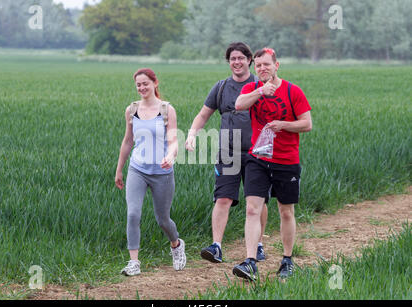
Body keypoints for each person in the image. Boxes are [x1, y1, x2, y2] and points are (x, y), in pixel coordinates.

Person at [233, 48, 312, 280]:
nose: (262, 69)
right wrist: (260, 91)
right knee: (251, 208)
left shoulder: (293, 91)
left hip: (286, 160)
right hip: (258, 159)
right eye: (258, 66)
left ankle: (287, 260)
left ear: (277, 66)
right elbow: (239, 104)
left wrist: (283, 124)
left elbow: (307, 124)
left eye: (266, 65)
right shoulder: (252, 88)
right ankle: (250, 262)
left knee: (285, 212)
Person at [185, 42, 268, 264]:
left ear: (249, 60)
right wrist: (192, 135)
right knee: (222, 198)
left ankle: (258, 245)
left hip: (256, 153)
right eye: (233, 59)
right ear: (228, 62)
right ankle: (216, 247)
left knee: (257, 202)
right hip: (228, 153)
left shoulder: (261, 85)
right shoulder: (221, 87)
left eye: (241, 58)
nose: (237, 62)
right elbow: (203, 115)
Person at [115, 68, 186, 276]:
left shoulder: (167, 110)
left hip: (162, 172)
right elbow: (128, 141)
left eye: (145, 83)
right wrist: (119, 169)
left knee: (163, 219)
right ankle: (134, 262)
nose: (142, 88)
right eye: (138, 85)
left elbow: (174, 141)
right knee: (133, 214)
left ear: (155, 83)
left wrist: (170, 156)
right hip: (137, 169)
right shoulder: (131, 110)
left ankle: (176, 244)